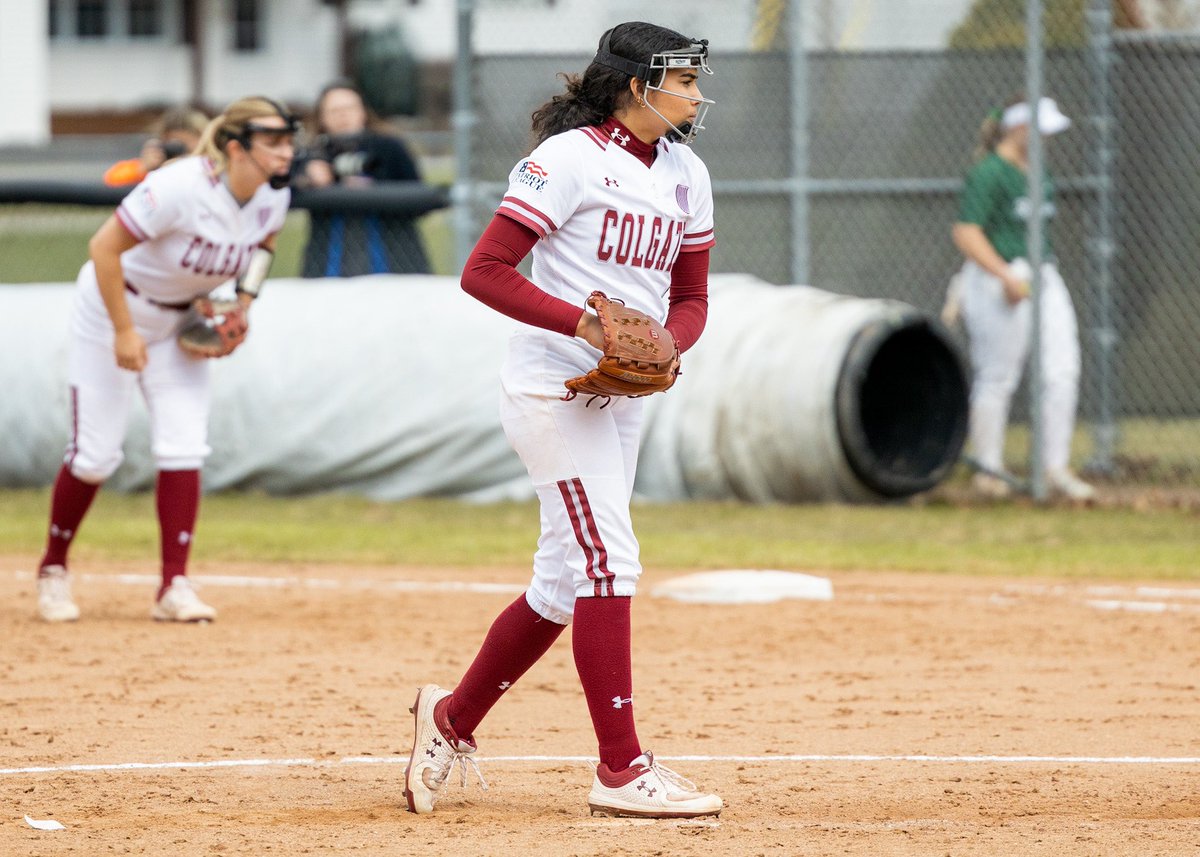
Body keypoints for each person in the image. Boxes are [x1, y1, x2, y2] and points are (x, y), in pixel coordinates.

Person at [401, 21, 722, 819]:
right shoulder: (566, 161)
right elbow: (484, 270)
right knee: (610, 561)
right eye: (681, 78)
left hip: (623, 394)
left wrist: (666, 348)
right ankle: (620, 768)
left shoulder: (687, 173)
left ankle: (450, 719)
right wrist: (582, 322)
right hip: (556, 388)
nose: (694, 91)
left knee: (561, 581)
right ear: (634, 86)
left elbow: (692, 299)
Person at [35, 96, 297, 623]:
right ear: (235, 147)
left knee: (184, 445)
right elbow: (103, 248)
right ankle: (53, 569)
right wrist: (125, 331)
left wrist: (241, 304)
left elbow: (264, 246)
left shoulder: (272, 197)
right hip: (112, 310)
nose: (286, 152)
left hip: (178, 323)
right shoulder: (180, 187)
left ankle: (173, 585)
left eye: (289, 140)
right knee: (95, 456)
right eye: (272, 141)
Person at [948, 94, 1095, 501]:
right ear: (1017, 127)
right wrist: (1003, 276)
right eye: (1040, 128)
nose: (1047, 137)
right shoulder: (989, 172)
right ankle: (989, 472)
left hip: (1042, 272)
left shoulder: (1037, 171)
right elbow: (966, 232)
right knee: (998, 376)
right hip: (998, 277)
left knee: (1062, 370)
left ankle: (1054, 468)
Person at [294, 81, 431, 277]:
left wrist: (373, 189)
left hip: (393, 260)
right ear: (322, 117)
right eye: (334, 110)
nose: (343, 115)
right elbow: (282, 185)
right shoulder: (313, 153)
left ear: (363, 111)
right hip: (329, 262)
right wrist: (309, 177)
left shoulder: (389, 147)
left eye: (349, 108)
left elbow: (420, 197)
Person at [102, 107, 210, 187]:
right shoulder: (155, 171)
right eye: (175, 146)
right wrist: (143, 169)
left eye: (187, 147)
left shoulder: (214, 166)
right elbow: (110, 182)